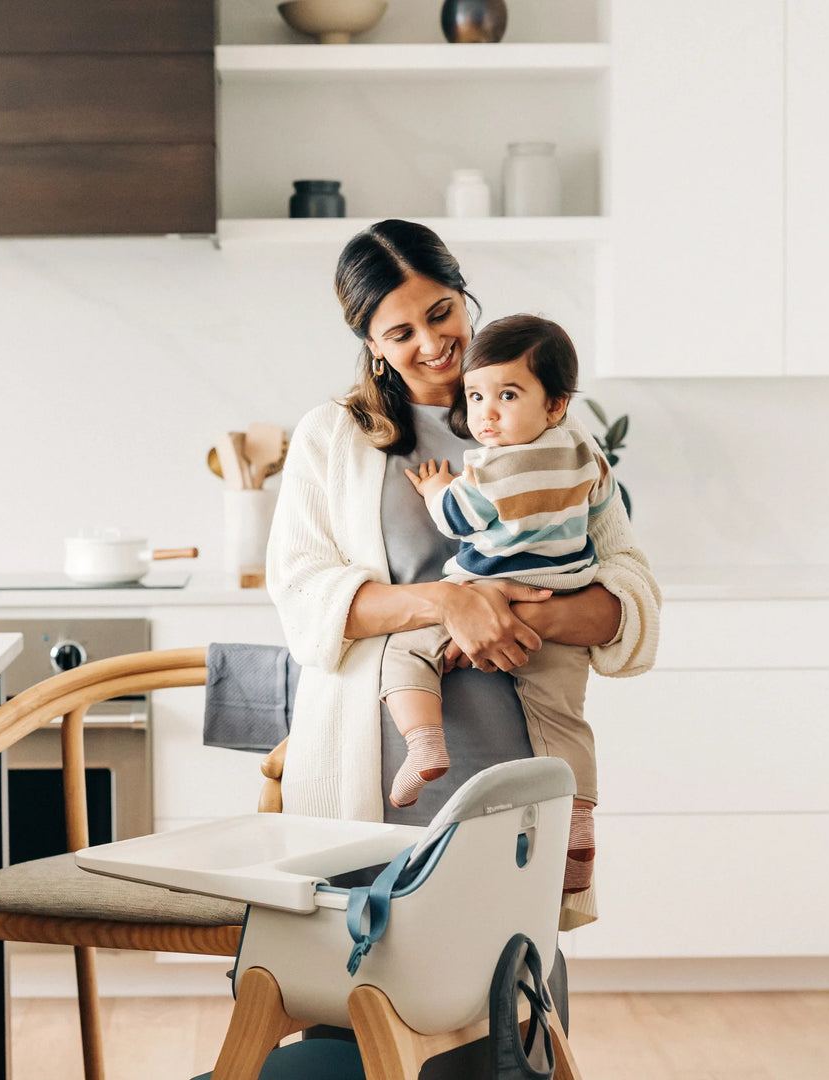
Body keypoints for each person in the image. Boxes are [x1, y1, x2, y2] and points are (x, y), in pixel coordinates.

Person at [266, 219, 661, 935]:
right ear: (371, 345)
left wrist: (521, 616)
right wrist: (451, 602)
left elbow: (628, 592)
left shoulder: (546, 424)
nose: (431, 343)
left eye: (441, 312)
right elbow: (302, 597)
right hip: (375, 769)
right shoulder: (331, 435)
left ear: (463, 294)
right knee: (357, 1007)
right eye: (400, 332)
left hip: (517, 756)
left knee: (509, 1005)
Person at [379, 313, 633, 896]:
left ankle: (423, 741)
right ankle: (579, 825)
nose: (485, 414)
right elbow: (602, 510)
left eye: (507, 396)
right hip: (563, 598)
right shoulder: (584, 453)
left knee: (406, 655)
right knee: (565, 725)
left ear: (555, 404)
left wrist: (435, 489)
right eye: (477, 397)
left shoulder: (490, 467)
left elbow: (457, 517)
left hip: (485, 591)